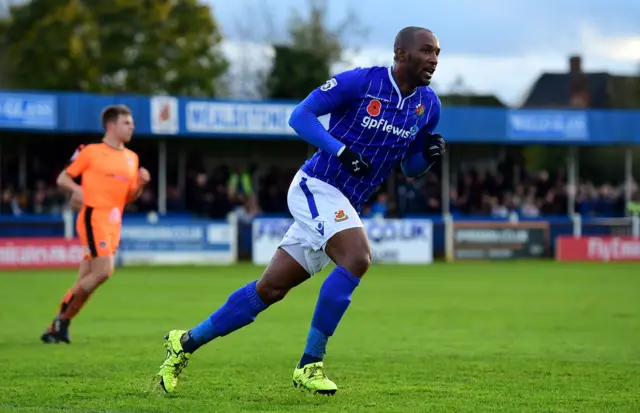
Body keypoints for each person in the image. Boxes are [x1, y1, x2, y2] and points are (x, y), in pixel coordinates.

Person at [155, 26, 445, 395]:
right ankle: (310, 364)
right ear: (400, 54)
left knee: (269, 290)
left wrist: (428, 159)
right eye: (426, 51)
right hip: (316, 186)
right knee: (357, 258)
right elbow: (300, 116)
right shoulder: (361, 82)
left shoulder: (428, 106)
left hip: (344, 204)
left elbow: (410, 167)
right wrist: (341, 151)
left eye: (437, 53)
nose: (434, 60)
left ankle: (185, 343)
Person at [41, 105, 151, 344]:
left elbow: (128, 197)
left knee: (87, 278)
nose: (132, 126)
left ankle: (58, 325)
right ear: (111, 125)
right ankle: (60, 322)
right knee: (103, 271)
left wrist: (140, 184)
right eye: (126, 123)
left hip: (113, 221)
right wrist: (77, 190)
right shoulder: (91, 152)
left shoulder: (132, 158)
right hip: (93, 216)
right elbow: (63, 178)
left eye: (132, 123)